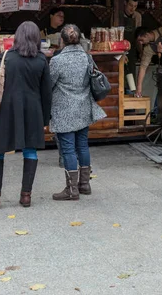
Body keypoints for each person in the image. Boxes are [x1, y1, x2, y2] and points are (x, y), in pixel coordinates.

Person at [0, 21, 52, 209]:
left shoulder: (5, 57)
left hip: (7, 110)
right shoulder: (41, 60)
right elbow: (47, 93)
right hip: (34, 111)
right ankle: (26, 196)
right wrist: (46, 120)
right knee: (30, 150)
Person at [49, 25, 107, 201]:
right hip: (84, 107)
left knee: (67, 149)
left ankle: (71, 189)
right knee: (82, 145)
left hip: (63, 110)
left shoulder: (57, 61)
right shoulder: (87, 58)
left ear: (62, 40)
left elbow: (48, 84)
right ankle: (84, 184)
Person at [135, 26, 162, 98]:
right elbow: (143, 67)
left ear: (146, 35)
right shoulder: (148, 48)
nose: (141, 43)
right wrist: (139, 87)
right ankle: (158, 108)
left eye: (141, 40)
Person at [123, 0, 143, 94]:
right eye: (131, 5)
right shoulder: (118, 15)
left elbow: (139, 36)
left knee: (131, 80)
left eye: (135, 6)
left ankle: (130, 106)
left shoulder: (138, 16)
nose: (133, 9)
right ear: (125, 3)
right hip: (120, 50)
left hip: (132, 51)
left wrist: (141, 52)